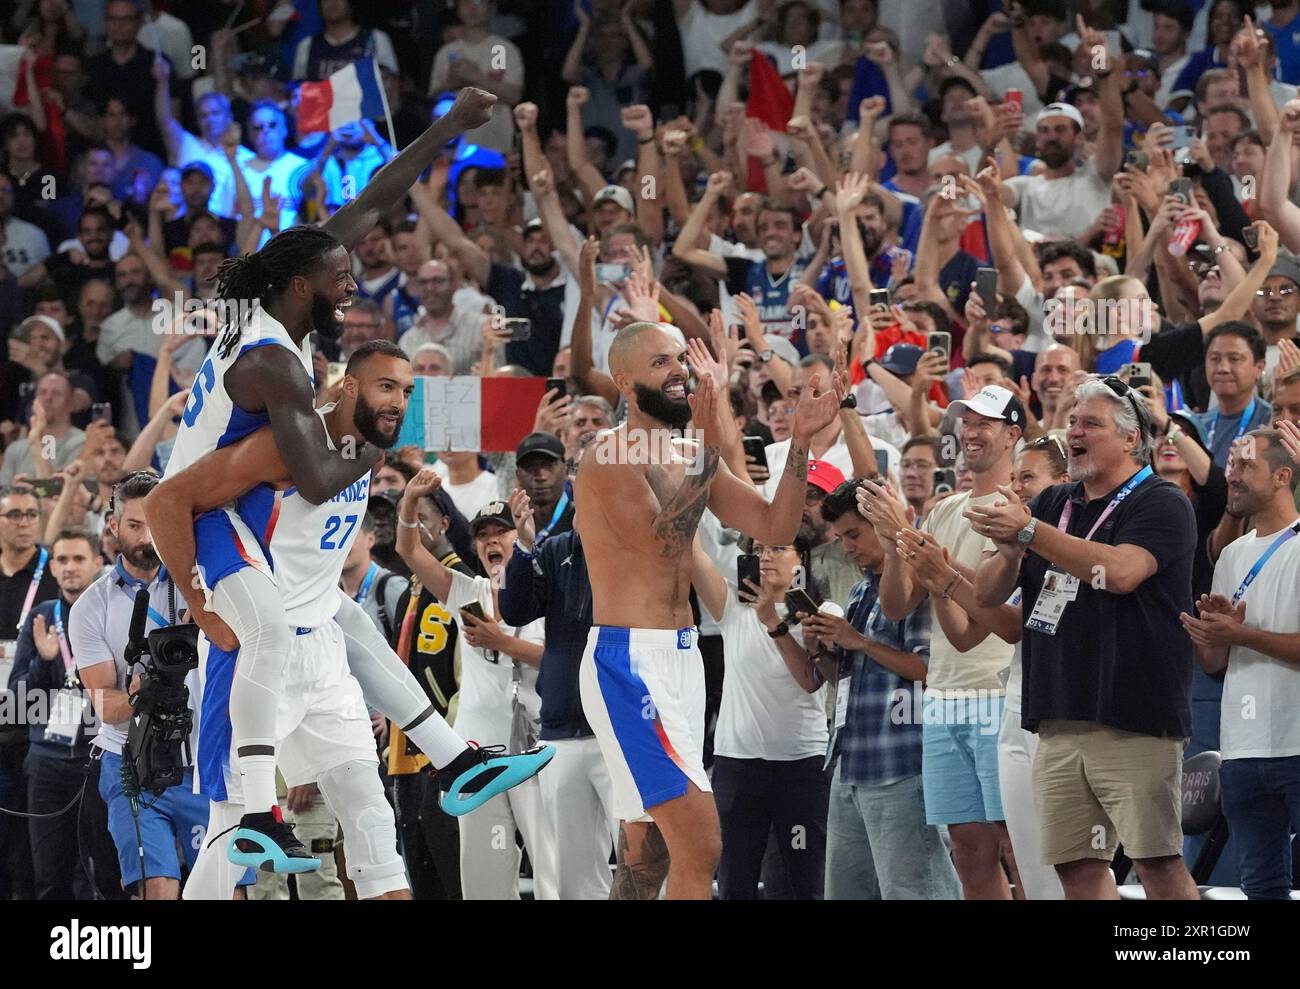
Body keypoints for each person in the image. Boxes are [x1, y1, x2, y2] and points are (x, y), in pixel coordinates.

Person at [151, 88, 546, 871]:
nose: (353, 285)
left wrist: (450, 127)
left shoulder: (277, 307)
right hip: (203, 515)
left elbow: (373, 197)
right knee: (266, 634)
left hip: (229, 506)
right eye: (341, 280)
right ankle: (261, 804)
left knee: (347, 618)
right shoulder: (274, 366)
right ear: (303, 287)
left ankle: (453, 757)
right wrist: (389, 434)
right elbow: (324, 476)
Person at [574, 320, 844, 899]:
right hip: (630, 661)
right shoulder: (609, 454)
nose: (679, 371)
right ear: (623, 381)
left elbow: (775, 525)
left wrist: (799, 443)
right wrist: (709, 433)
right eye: (660, 363)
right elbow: (666, 543)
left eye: (681, 359)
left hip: (684, 656)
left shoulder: (690, 450)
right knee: (701, 845)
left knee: (646, 853)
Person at [970, 377, 1200, 900]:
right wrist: (1008, 546)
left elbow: (1120, 573)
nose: (1074, 431)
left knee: (1156, 864)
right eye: (1072, 421)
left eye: (1091, 424)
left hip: (1133, 715)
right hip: (1058, 714)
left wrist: (1029, 532)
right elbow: (987, 596)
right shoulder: (1053, 502)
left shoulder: (1161, 501)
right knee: (1076, 869)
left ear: (1130, 439)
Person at [860, 384, 1023, 900]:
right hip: (944, 697)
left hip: (999, 695)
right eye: (966, 421)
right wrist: (892, 542)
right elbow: (896, 606)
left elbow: (995, 613)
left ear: (1013, 434)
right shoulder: (942, 511)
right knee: (967, 849)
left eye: (985, 423)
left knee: (1015, 845)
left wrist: (928, 555)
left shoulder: (1019, 512)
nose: (971, 431)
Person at [395, 473, 556, 900]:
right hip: (479, 752)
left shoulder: (546, 591)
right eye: (481, 534)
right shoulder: (467, 591)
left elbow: (558, 660)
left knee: (549, 868)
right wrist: (410, 501)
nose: (490, 541)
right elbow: (408, 549)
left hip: (534, 748)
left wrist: (503, 642)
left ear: (518, 535)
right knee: (484, 873)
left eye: (499, 531)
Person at [801, 480, 961, 900]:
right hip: (851, 764)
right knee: (847, 892)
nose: (848, 547)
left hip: (902, 765)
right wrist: (821, 651)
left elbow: (928, 669)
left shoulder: (919, 586)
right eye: (840, 538)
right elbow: (849, 676)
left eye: (854, 535)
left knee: (914, 890)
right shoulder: (860, 589)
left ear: (884, 526)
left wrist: (859, 641)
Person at [69, 471, 210, 900]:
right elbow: (105, 704)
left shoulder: (202, 583)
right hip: (130, 766)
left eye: (154, 523)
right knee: (157, 887)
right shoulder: (90, 607)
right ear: (112, 527)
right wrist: (144, 694)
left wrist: (206, 615)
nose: (147, 536)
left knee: (223, 888)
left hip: (204, 760)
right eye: (134, 525)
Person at [1185, 428, 1300, 900]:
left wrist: (1241, 634)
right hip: (1242, 749)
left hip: (1296, 743)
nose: (1230, 475)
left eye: (1245, 465)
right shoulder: (1230, 554)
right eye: (1230, 464)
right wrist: (1210, 634)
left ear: (1282, 476)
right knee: (1261, 887)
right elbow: (1216, 665)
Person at [690, 526, 832, 900]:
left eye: (779, 547)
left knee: (804, 881)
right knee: (735, 881)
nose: (766, 556)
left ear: (801, 560)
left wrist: (774, 621)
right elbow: (694, 555)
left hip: (801, 765)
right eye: (758, 548)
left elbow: (811, 679)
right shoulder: (733, 608)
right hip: (738, 766)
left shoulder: (821, 613)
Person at [8, 528, 120, 900]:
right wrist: (43, 661)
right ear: (52, 567)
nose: (70, 567)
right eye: (62, 560)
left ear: (97, 563)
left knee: (107, 873)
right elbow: (16, 701)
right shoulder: (42, 619)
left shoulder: (112, 611)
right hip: (48, 765)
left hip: (102, 760)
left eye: (78, 559)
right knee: (50, 877)